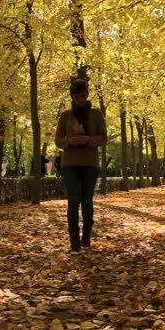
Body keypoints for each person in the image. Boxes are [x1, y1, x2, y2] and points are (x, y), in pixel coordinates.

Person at [54, 79, 108, 252]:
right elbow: (58, 140)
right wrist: (69, 141)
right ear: (72, 97)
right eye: (77, 96)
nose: (80, 99)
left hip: (90, 164)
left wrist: (89, 140)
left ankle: (86, 235)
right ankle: (73, 240)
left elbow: (103, 138)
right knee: (73, 200)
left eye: (83, 96)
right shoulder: (65, 116)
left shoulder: (96, 114)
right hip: (70, 163)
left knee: (86, 201)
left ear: (87, 94)